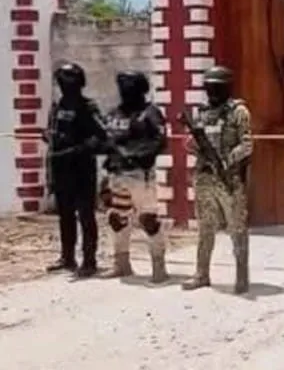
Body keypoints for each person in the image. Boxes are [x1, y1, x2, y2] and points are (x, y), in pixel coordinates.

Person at [182, 65, 254, 294]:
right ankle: (201, 274)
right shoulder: (200, 112)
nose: (212, 92)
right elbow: (188, 142)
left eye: (217, 87)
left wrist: (227, 160)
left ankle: (241, 277)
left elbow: (247, 143)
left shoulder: (239, 112)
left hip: (229, 179)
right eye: (209, 87)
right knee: (205, 228)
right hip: (204, 176)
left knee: (237, 228)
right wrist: (196, 147)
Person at [102, 70, 168, 283]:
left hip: (140, 176)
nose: (124, 91)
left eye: (129, 87)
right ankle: (121, 264)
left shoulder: (150, 113)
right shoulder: (114, 114)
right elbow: (104, 140)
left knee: (148, 220)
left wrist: (136, 155)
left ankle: (159, 267)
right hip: (116, 175)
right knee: (116, 219)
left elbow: (159, 142)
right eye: (122, 86)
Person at [42, 62, 106, 278]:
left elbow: (101, 135)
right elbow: (53, 133)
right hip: (61, 167)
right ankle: (67, 257)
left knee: (86, 215)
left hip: (81, 168)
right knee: (65, 215)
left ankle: (89, 260)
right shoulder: (58, 106)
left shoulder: (88, 106)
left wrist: (80, 147)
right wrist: (50, 136)